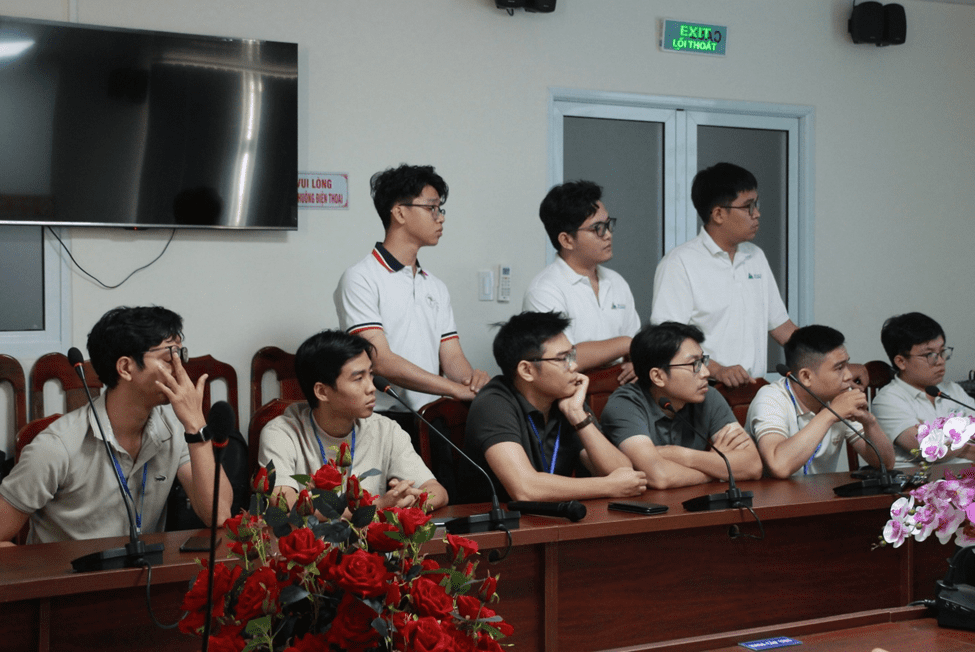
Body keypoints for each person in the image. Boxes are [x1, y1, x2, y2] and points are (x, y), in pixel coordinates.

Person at [0, 306, 231, 545]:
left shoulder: (173, 430)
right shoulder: (56, 447)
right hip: (69, 570)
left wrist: (196, 424)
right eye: (168, 358)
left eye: (180, 355)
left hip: (144, 568)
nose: (180, 368)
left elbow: (220, 515)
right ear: (125, 368)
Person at [334, 164, 489, 413]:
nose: (441, 217)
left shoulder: (435, 286)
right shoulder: (360, 277)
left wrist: (472, 383)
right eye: (431, 208)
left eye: (440, 209)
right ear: (399, 213)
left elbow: (452, 357)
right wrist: (452, 389)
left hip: (432, 415)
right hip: (382, 416)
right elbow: (381, 361)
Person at [463, 311, 647, 503]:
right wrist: (608, 486)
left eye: (572, 355)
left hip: (553, 515)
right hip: (496, 519)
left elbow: (622, 473)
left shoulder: (566, 399)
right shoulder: (493, 403)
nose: (574, 366)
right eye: (562, 359)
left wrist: (577, 416)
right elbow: (525, 489)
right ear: (527, 370)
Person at [258, 330, 448, 511]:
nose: (371, 387)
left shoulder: (385, 429)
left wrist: (408, 502)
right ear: (322, 391)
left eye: (370, 374)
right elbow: (285, 504)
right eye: (358, 378)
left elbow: (437, 492)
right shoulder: (281, 433)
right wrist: (378, 507)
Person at [650, 162, 797, 388]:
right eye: (748, 206)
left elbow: (782, 328)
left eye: (756, 204)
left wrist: (830, 360)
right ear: (718, 214)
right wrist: (718, 370)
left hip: (754, 389)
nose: (757, 214)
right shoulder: (680, 263)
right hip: (704, 389)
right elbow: (668, 341)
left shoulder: (755, 256)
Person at [600, 322, 763, 489]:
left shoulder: (708, 395)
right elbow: (659, 476)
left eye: (703, 361)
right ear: (658, 377)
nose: (706, 373)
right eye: (694, 364)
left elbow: (753, 466)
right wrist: (717, 466)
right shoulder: (624, 405)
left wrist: (683, 456)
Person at [523, 180, 641, 385]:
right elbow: (563, 360)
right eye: (598, 228)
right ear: (567, 240)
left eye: (608, 224)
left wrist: (637, 363)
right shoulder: (544, 290)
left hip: (621, 390)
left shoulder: (617, 282)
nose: (608, 234)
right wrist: (626, 344)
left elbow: (638, 351)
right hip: (571, 395)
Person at [746, 325, 895, 478]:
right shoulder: (771, 399)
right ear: (806, 377)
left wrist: (870, 422)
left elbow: (886, 463)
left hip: (822, 492)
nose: (849, 375)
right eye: (839, 368)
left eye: (847, 365)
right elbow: (779, 466)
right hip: (775, 494)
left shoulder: (839, 397)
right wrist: (831, 414)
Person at [873, 312, 975, 468]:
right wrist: (967, 440)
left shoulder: (953, 390)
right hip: (918, 479)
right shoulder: (888, 400)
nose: (940, 361)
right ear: (901, 362)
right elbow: (931, 450)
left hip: (964, 474)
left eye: (942, 352)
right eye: (930, 355)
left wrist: (943, 437)